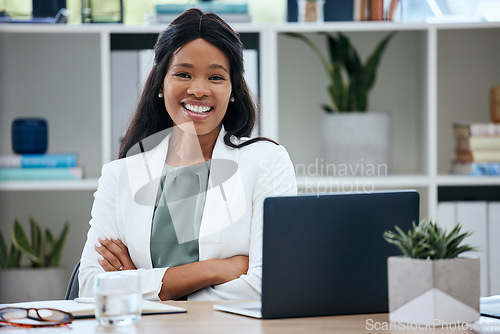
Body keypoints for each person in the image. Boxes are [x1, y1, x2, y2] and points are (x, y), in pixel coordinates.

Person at [79, 8, 297, 301]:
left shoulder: (267, 162)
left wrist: (138, 286)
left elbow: (268, 286)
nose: (198, 89)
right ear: (160, 83)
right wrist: (216, 269)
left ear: (233, 90)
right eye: (183, 73)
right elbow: (92, 288)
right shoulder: (119, 175)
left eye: (216, 77)